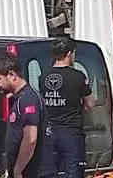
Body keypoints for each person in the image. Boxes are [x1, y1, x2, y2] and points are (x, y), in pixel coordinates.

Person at [40, 37, 94, 178]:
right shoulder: (77, 76)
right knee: (73, 172)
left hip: (49, 132)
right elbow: (90, 104)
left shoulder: (43, 76)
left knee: (51, 172)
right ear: (70, 53)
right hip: (71, 133)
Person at [0, 54, 46, 178]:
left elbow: (30, 139)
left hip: (34, 172)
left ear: (12, 75)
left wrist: (18, 169)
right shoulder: (17, 99)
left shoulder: (28, 99)